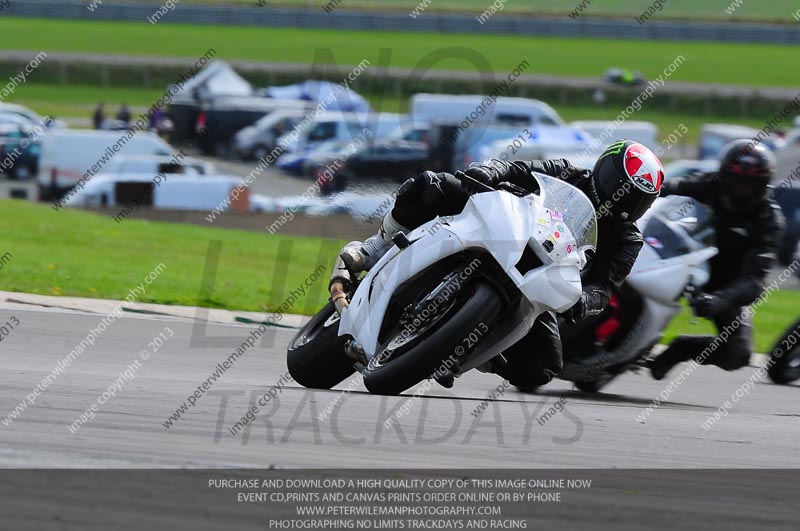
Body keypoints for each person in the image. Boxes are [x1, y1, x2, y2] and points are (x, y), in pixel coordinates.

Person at [334, 139, 664, 390]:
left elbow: (605, 287)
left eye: (638, 200)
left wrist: (585, 301)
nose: (626, 202)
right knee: (432, 185)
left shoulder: (627, 241)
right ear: (605, 173)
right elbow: (519, 170)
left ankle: (473, 349)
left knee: (542, 368)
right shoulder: (568, 171)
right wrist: (491, 171)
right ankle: (376, 247)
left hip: (541, 280)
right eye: (622, 190)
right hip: (501, 229)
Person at [649, 140, 785, 380]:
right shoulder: (705, 185)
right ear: (724, 176)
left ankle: (681, 349)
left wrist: (722, 299)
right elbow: (662, 190)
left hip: (724, 285)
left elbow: (755, 280)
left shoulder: (769, 220)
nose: (741, 189)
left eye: (749, 184)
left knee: (738, 353)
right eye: (736, 180)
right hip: (676, 259)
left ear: (763, 184)